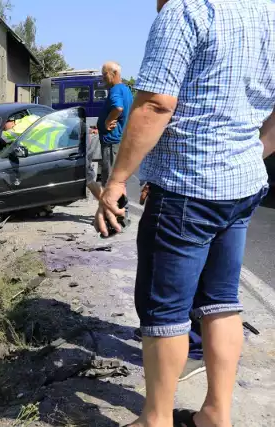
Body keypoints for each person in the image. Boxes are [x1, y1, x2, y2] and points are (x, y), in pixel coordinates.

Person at [95, 0, 275, 426]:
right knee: (222, 302)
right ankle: (216, 413)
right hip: (241, 185)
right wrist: (253, 153)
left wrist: (118, 180)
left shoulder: (190, 12)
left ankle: (155, 419)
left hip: (186, 189)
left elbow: (156, 104)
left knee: (165, 312)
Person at [97, 61, 133, 187]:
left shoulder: (115, 90)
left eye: (104, 74)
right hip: (120, 140)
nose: (103, 77)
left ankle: (112, 206)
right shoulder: (126, 89)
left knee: (111, 183)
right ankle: (120, 206)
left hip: (112, 143)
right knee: (118, 181)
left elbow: (118, 108)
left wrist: (107, 122)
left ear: (115, 73)